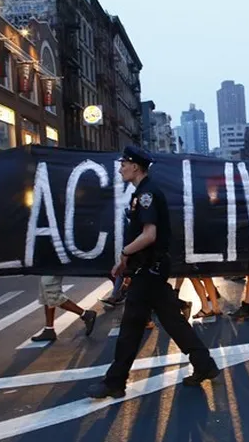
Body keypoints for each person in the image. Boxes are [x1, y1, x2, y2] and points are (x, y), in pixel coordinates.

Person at [87, 147, 219, 399]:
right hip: (151, 269)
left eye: (124, 163)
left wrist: (125, 253)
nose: (120, 167)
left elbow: (149, 235)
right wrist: (125, 262)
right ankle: (205, 365)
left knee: (131, 328)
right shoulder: (143, 192)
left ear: (135, 166)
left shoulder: (147, 194)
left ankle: (115, 381)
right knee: (172, 321)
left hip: (149, 271)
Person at [30, 275, 97, 342]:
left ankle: (86, 314)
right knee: (46, 292)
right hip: (47, 266)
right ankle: (49, 329)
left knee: (52, 293)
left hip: (53, 266)